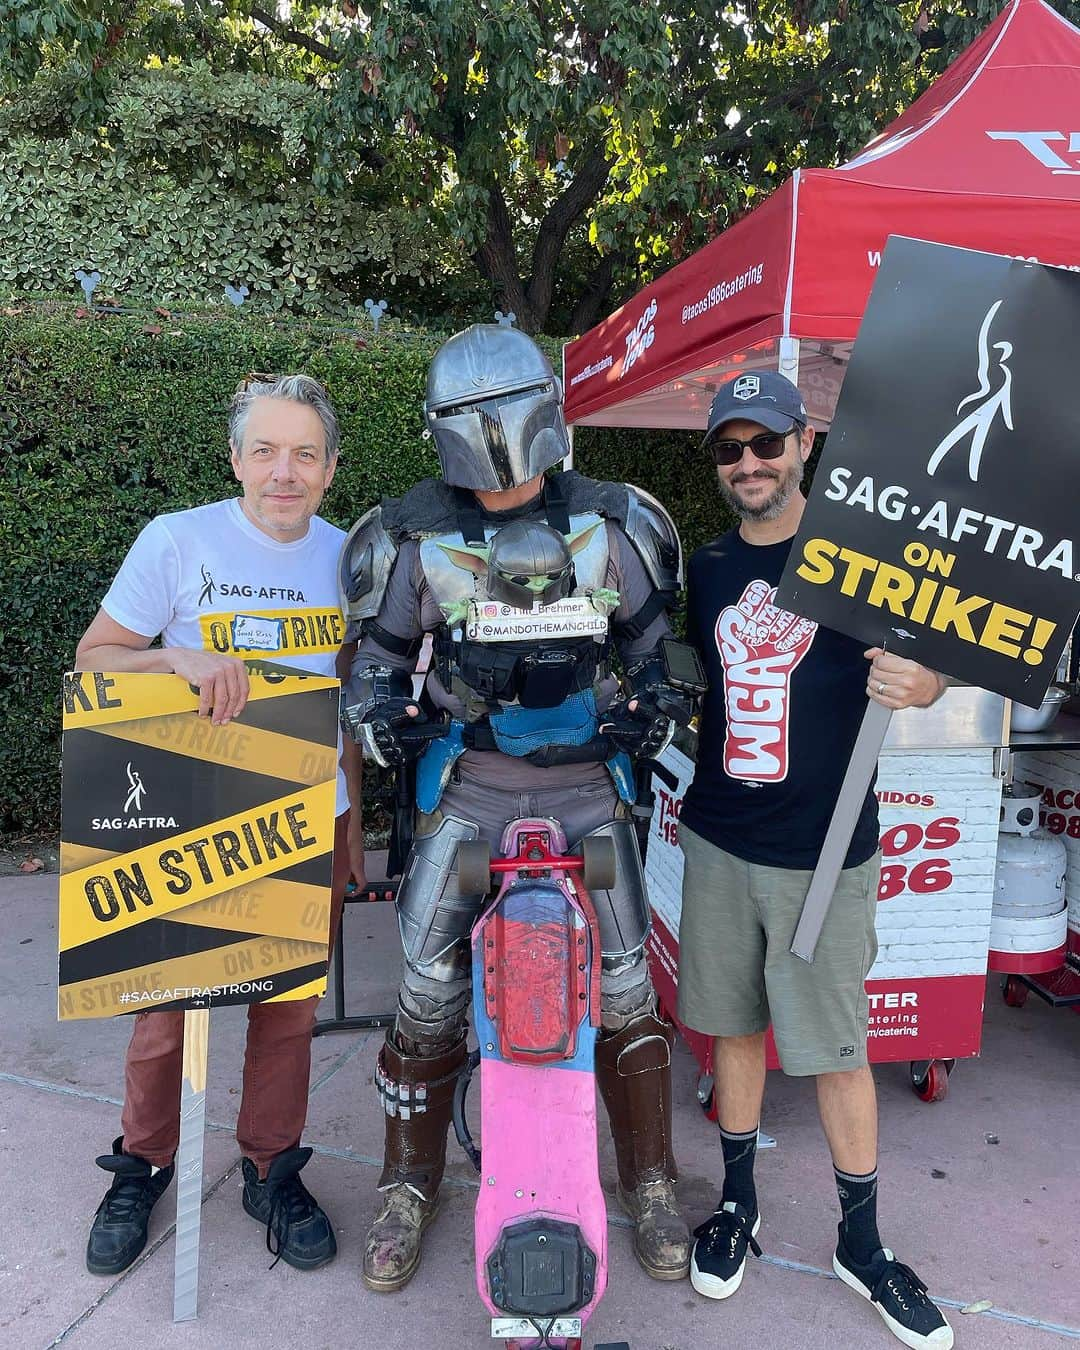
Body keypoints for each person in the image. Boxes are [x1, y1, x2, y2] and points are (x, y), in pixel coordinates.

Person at [340, 323, 693, 1293]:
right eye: (474, 416)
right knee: (425, 989)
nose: (496, 433)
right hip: (470, 790)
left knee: (626, 992)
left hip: (587, 793)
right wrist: (380, 716)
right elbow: (373, 664)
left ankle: (651, 1181)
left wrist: (652, 707)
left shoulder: (617, 524)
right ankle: (407, 1185)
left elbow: (656, 652)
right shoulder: (412, 537)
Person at [679, 371, 954, 1349]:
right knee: (734, 1033)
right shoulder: (707, 567)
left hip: (827, 854)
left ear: (804, 444)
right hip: (717, 839)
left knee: (838, 1051)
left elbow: (953, 646)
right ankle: (739, 1206)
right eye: (729, 448)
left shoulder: (862, 559)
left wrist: (926, 681)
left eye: (767, 443)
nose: (749, 463)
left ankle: (863, 1244)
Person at [74, 374, 363, 1276]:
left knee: (288, 1011)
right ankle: (143, 1162)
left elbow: (348, 700)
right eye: (267, 451)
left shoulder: (352, 557)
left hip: (310, 821)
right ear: (235, 458)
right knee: (165, 1014)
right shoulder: (179, 540)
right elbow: (97, 656)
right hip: (194, 820)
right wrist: (176, 654)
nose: (285, 472)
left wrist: (353, 827)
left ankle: (270, 1166)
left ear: (329, 468)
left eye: (304, 454)